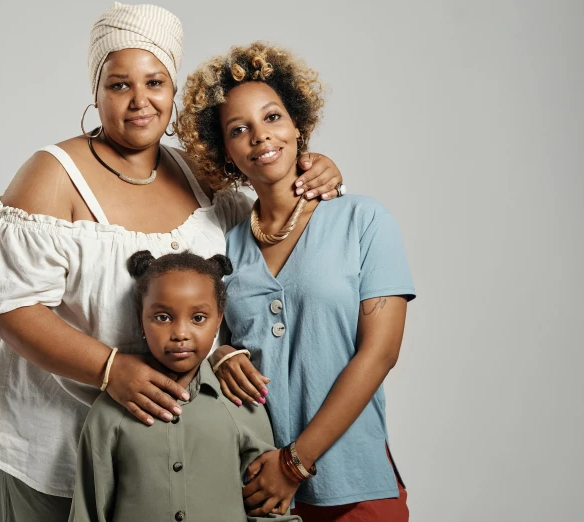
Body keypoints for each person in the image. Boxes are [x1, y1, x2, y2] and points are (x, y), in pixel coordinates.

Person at [0, 4, 344, 520]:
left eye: (155, 82)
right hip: (53, 449)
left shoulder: (199, 177)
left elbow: (261, 240)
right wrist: (109, 370)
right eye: (119, 85)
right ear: (96, 92)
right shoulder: (52, 175)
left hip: (164, 464)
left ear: (173, 90)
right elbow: (5, 307)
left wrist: (312, 168)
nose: (139, 101)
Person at [176, 42, 416, 521]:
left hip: (351, 479)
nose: (260, 137)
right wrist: (220, 353)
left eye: (272, 117)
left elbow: (381, 353)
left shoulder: (364, 220)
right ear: (226, 151)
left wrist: (295, 462)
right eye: (238, 130)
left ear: (297, 124)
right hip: (257, 487)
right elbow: (205, 337)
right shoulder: (225, 247)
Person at [69, 250, 300, 522]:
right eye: (163, 317)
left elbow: (269, 509)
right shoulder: (109, 413)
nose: (180, 333)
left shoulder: (241, 405)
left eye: (198, 318)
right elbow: (88, 511)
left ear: (218, 321)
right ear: (140, 317)